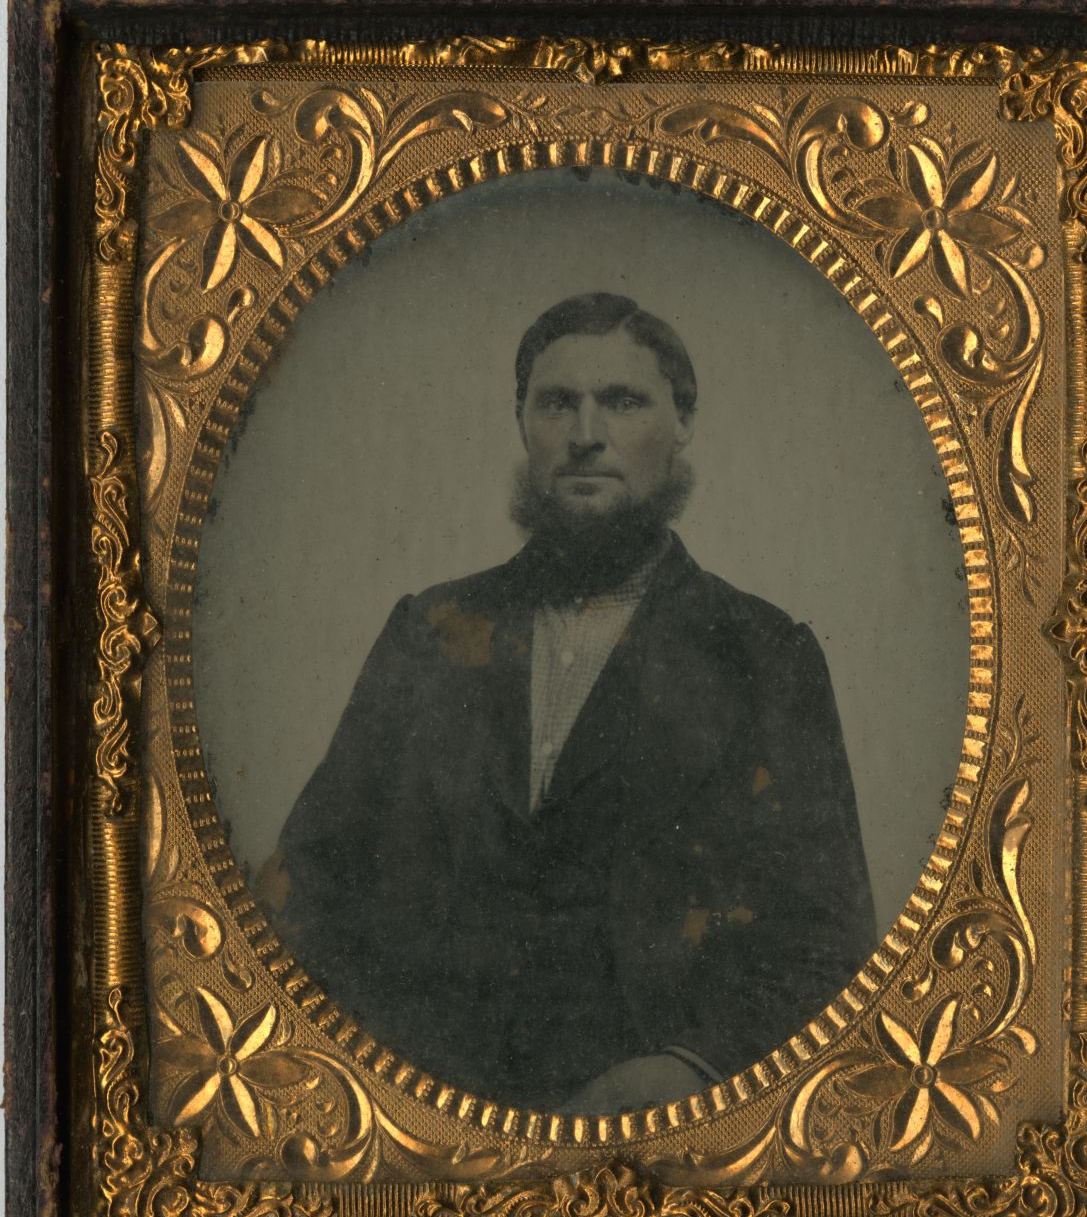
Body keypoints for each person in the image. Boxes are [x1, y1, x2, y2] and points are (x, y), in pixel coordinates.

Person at [259, 292, 876, 1114]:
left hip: (647, 1129)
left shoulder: (763, 654)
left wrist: (691, 1066)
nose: (586, 434)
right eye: (557, 403)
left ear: (681, 421)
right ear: (523, 423)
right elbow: (308, 885)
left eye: (623, 401)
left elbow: (824, 939)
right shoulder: (431, 630)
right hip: (420, 1115)